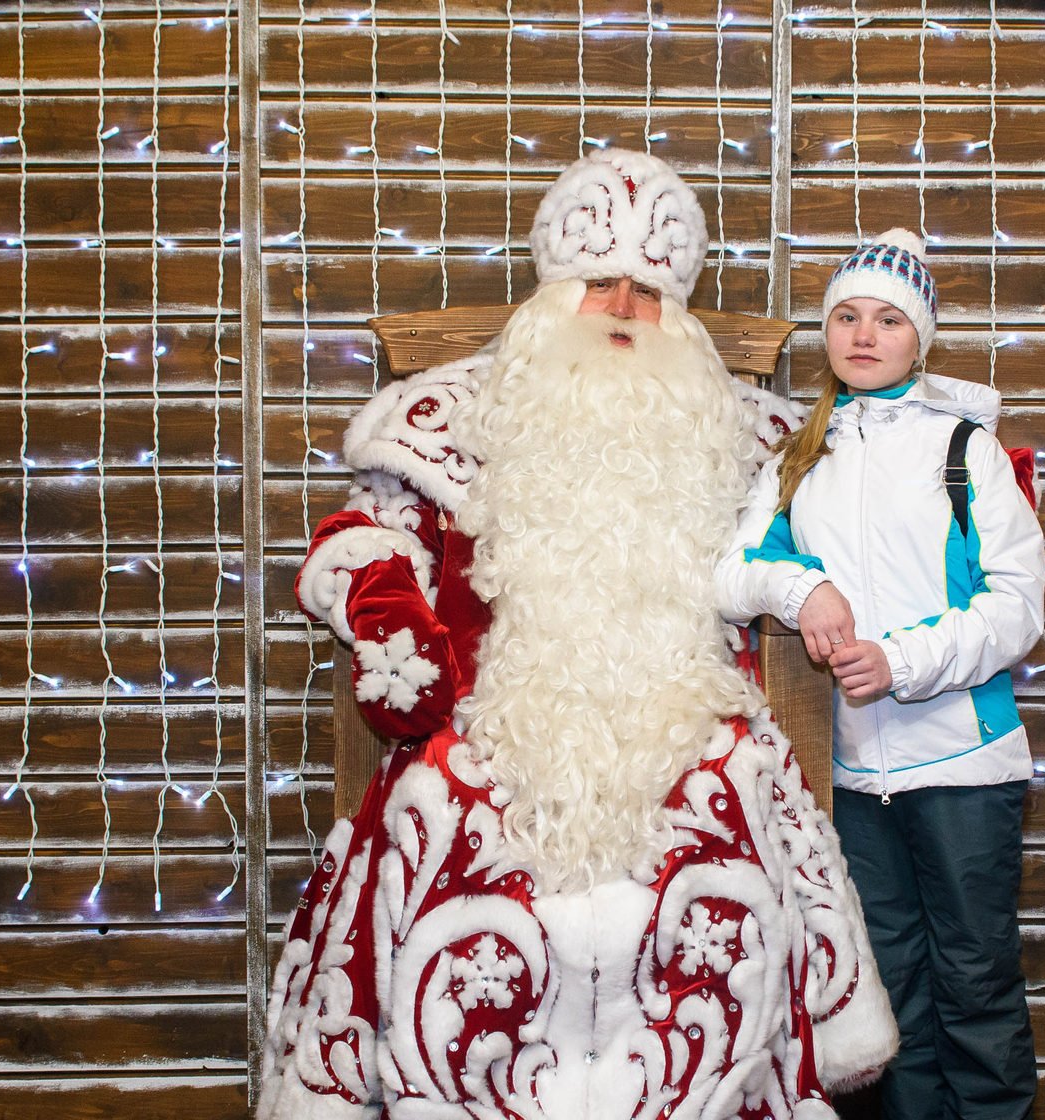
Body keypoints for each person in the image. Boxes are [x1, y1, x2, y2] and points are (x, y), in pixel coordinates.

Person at [259, 148, 898, 1120]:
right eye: (599, 284)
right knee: (444, 798)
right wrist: (389, 614)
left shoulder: (737, 437)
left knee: (735, 786)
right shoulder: (450, 421)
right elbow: (364, 536)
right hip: (489, 721)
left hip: (687, 725)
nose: (623, 308)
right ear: (552, 297)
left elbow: (814, 548)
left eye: (647, 292)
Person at [715, 229, 1045, 1120]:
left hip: (964, 767)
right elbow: (734, 572)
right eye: (847, 317)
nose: (864, 335)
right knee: (890, 986)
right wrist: (807, 587)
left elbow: (1017, 608)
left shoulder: (964, 450)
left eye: (888, 320)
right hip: (853, 775)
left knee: (975, 982)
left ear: (920, 338)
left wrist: (900, 661)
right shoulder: (801, 456)